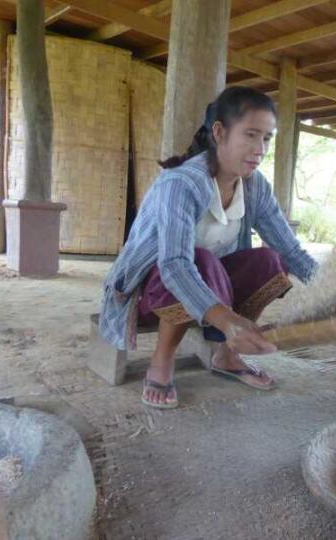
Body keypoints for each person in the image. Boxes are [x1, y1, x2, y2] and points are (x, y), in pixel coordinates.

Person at [98, 87, 318, 409]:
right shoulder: (182, 184)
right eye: (250, 135)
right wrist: (229, 321)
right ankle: (162, 361)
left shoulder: (255, 186)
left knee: (271, 262)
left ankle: (227, 355)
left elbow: (291, 251)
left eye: (267, 139)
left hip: (213, 286)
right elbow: (174, 265)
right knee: (199, 262)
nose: (260, 149)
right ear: (219, 132)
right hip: (152, 290)